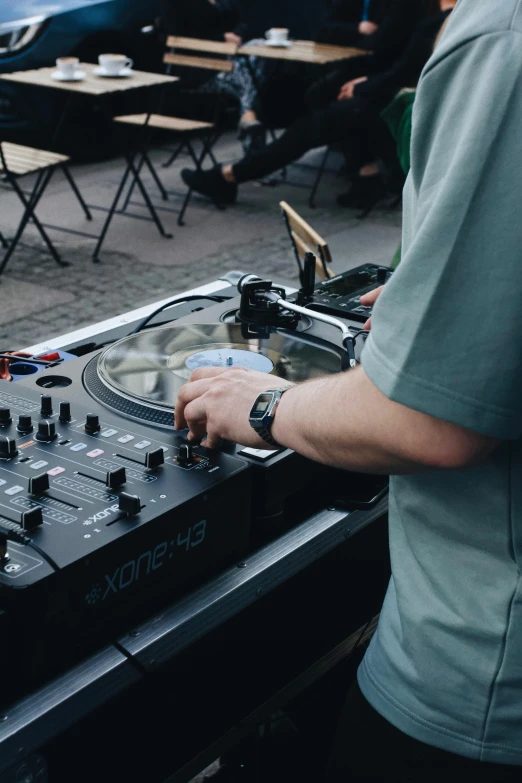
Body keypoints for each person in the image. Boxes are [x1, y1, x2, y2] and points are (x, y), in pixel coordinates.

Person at [175, 0, 522, 777]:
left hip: (476, 686)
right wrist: (438, 289)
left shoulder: (503, 37)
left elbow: (429, 420)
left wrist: (261, 405)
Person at [181, 1, 454, 211]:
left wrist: (363, 82)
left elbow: (396, 61)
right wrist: (359, 41)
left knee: (313, 124)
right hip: (370, 83)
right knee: (310, 97)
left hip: (392, 98)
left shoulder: (434, 17)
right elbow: (326, 30)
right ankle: (365, 175)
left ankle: (231, 175)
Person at [163, 0, 266, 156]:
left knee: (260, 47)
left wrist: (236, 35)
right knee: (249, 80)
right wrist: (222, 38)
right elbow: (178, 35)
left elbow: (240, 20)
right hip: (198, 68)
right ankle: (250, 123)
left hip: (229, 59)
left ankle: (248, 118)